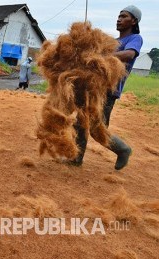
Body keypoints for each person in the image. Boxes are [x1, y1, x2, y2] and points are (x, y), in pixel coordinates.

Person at [70, 5, 143, 170]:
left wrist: (100, 56)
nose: (119, 19)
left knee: (98, 129)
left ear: (134, 21)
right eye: (118, 16)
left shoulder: (135, 38)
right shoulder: (113, 42)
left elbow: (129, 54)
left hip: (109, 90)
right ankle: (75, 158)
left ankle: (123, 150)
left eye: (124, 16)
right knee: (80, 122)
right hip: (94, 88)